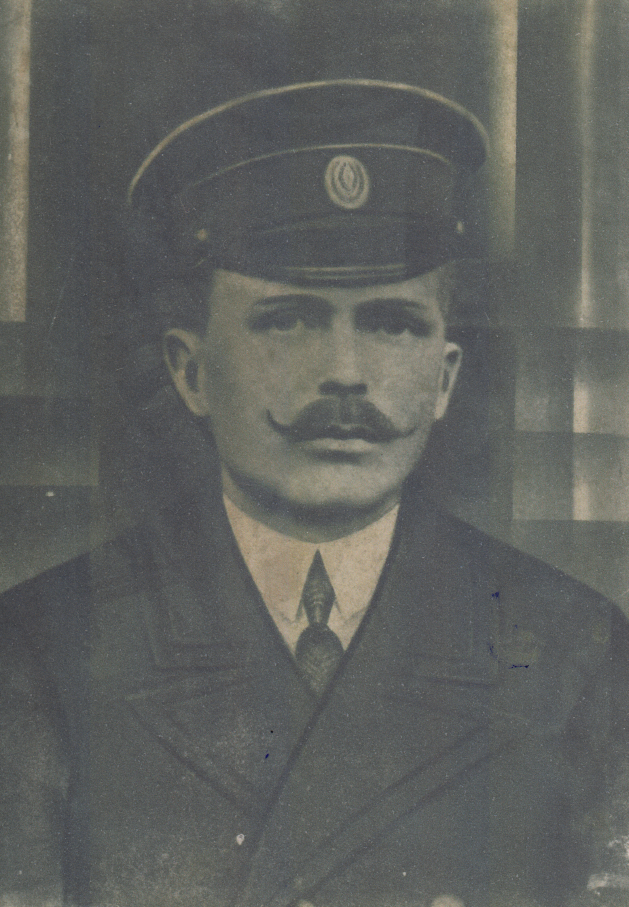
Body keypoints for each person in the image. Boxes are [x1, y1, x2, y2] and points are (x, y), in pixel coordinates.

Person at [1, 79, 628, 907]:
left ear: (444, 377)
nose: (344, 373)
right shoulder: (43, 651)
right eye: (288, 319)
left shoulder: (578, 653)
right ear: (190, 371)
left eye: (392, 323)